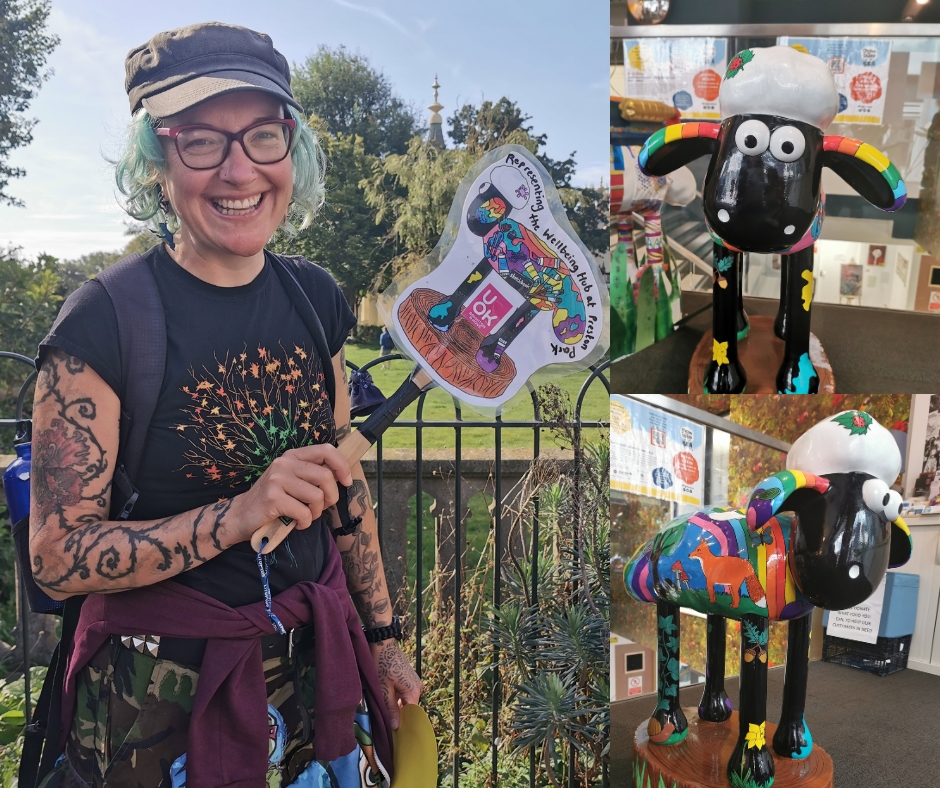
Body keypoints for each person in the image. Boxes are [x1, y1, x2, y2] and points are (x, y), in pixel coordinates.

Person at [29, 22, 419, 788]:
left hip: (312, 676)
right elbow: (56, 556)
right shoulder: (104, 319)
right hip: (154, 702)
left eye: (263, 135)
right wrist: (238, 516)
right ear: (156, 162)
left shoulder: (315, 298)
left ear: (293, 148)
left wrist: (383, 638)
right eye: (202, 141)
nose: (240, 170)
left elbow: (342, 481)